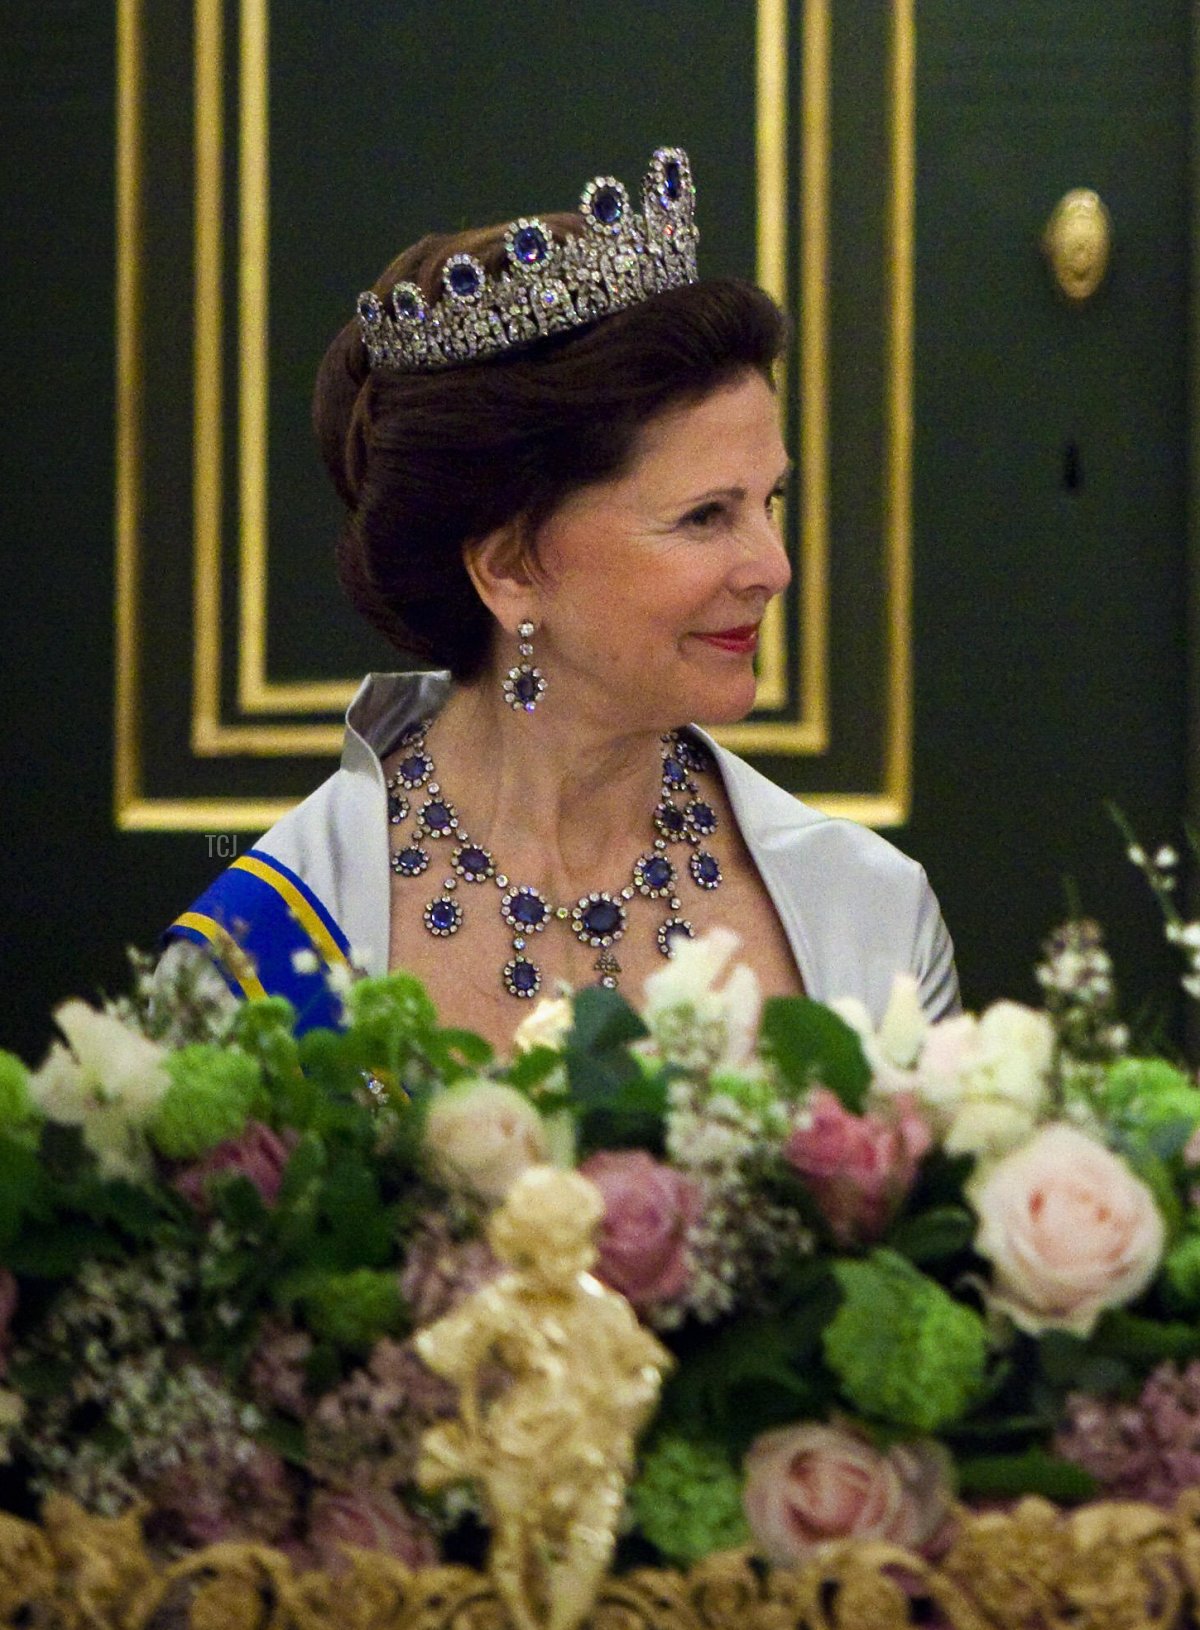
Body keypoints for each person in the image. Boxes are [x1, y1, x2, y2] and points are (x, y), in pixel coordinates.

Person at [163, 147, 958, 1049]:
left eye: (767, 503)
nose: (773, 568)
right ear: (507, 569)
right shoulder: (263, 961)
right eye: (705, 517)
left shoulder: (868, 912)